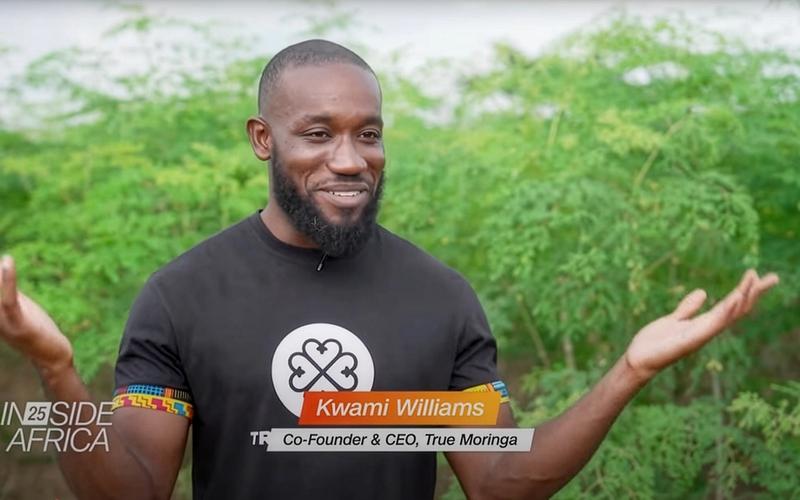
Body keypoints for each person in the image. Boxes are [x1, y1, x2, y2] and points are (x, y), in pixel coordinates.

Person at [0, 39, 780, 500]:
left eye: (368, 134)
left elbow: (501, 482)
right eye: (317, 133)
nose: (350, 159)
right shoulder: (182, 296)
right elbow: (133, 488)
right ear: (263, 140)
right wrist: (57, 367)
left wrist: (626, 372)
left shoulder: (439, 298)